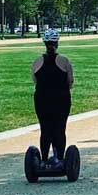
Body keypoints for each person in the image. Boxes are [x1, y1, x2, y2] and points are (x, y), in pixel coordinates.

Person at [31, 27, 74, 163]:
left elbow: (35, 81)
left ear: (44, 43)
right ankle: (59, 157)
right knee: (60, 128)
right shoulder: (64, 61)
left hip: (42, 99)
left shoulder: (37, 62)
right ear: (57, 43)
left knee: (45, 129)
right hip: (61, 98)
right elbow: (70, 81)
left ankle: (43, 159)